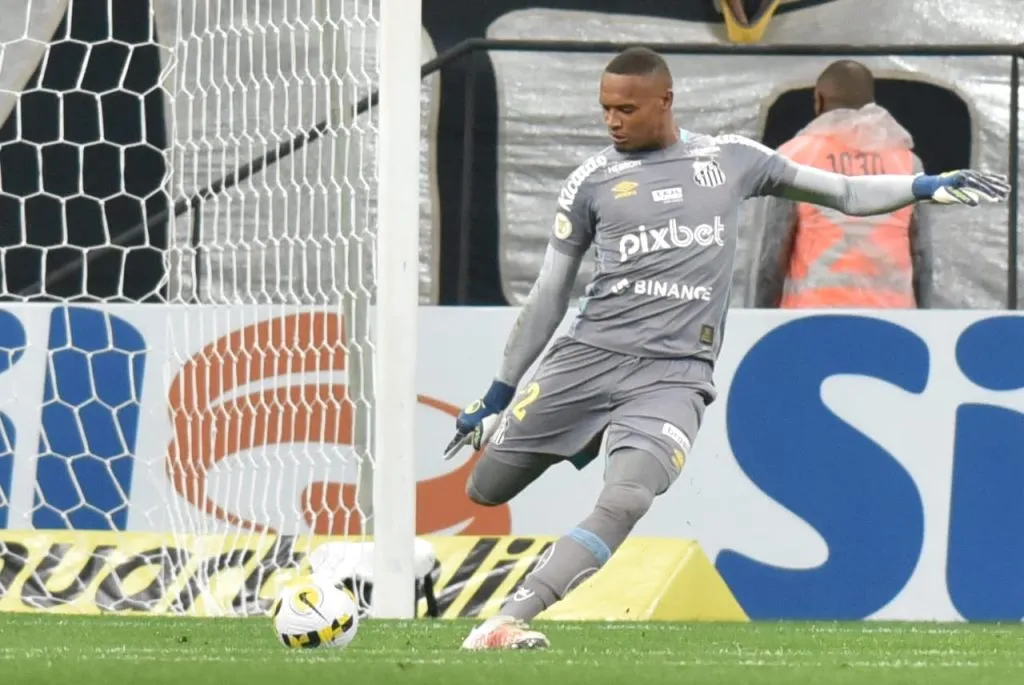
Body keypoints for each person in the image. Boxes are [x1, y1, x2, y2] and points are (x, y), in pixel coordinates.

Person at [443, 46, 1008, 651]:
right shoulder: (591, 182)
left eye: (626, 109)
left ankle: (507, 620)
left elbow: (843, 191)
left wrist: (922, 185)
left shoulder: (731, 160)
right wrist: (496, 395)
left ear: (665, 100)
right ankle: (571, 434)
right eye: (605, 109)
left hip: (674, 376)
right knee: (487, 488)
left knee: (629, 496)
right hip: (587, 359)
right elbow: (550, 295)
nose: (613, 121)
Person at [749, 60, 934, 309]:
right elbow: (921, 256)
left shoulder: (794, 158)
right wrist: (924, 317)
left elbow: (771, 256)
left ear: (819, 100)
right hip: (893, 318)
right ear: (871, 103)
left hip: (811, 317)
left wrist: (760, 317)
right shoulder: (908, 163)